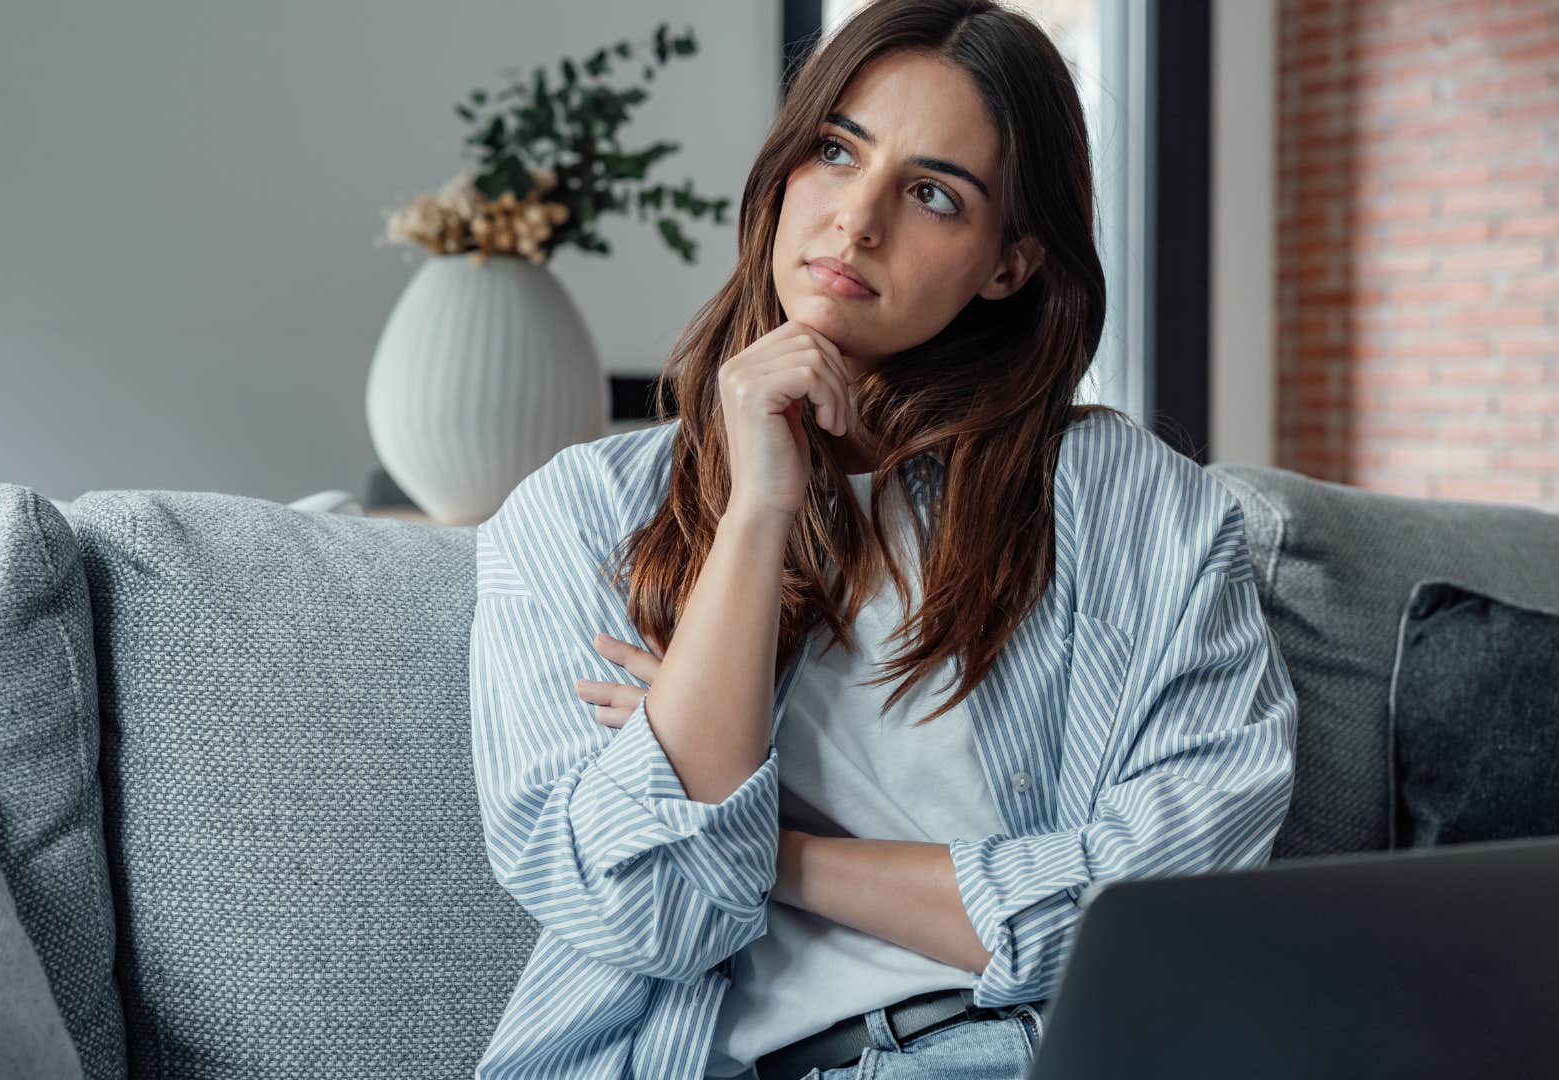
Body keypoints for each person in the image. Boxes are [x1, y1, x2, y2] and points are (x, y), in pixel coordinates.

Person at [466, 1, 1299, 1077]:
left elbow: (1168, 911)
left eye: (932, 194)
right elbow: (648, 907)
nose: (856, 222)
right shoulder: (578, 518)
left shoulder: (1135, 509)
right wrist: (759, 511)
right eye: (835, 151)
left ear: (1007, 264)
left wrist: (775, 848)